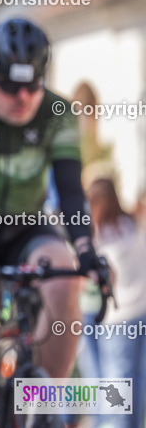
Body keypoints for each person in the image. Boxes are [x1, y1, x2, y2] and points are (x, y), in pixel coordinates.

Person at [0, 18, 111, 428]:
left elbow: (70, 191)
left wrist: (86, 250)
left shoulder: (57, 113)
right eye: (11, 86)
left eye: (33, 86)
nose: (23, 97)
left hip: (24, 225)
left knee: (65, 272)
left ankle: (44, 407)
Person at [84, 171, 146, 428]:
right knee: (135, 391)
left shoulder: (99, 239)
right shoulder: (134, 226)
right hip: (141, 312)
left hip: (116, 319)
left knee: (114, 396)